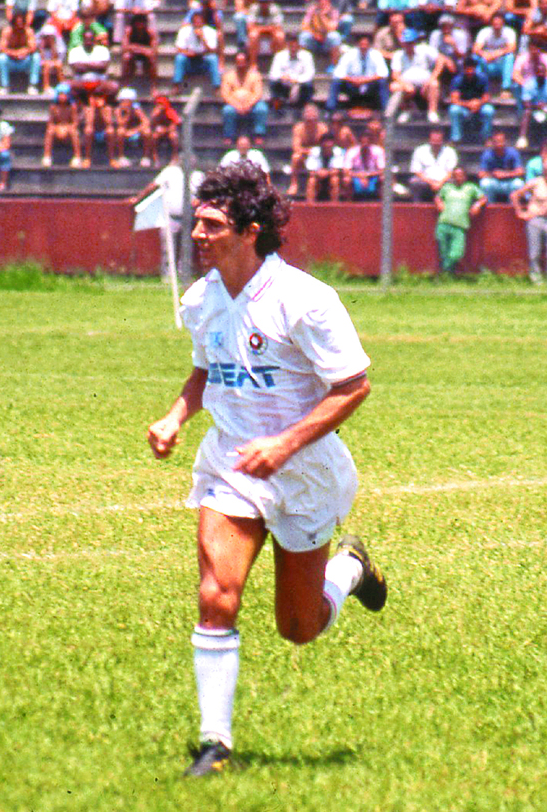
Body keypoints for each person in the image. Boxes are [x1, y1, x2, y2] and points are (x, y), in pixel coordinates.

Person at [147, 161, 389, 778]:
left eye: (210, 223)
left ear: (250, 231)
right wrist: (176, 417)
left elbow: (353, 387)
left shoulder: (307, 300)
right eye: (196, 221)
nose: (196, 233)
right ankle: (215, 745)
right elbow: (208, 370)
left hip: (304, 473)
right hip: (232, 465)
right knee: (216, 596)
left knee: (300, 627)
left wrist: (283, 445)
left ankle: (351, 569)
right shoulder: (200, 299)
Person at [433, 166, 482, 274]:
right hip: (444, 223)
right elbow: (437, 197)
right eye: (456, 175)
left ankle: (444, 272)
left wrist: (477, 205)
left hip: (460, 226)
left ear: (465, 176)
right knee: (443, 253)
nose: (458, 177)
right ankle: (448, 276)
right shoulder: (447, 187)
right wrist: (439, 203)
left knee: (456, 253)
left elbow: (483, 198)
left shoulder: (471, 187)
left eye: (461, 175)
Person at [408, 128, 456, 202]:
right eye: (434, 141)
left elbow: (451, 172)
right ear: (429, 140)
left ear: (442, 141)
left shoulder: (450, 151)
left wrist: (440, 183)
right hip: (425, 180)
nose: (436, 144)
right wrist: (431, 183)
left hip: (444, 180)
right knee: (414, 182)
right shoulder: (420, 150)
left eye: (438, 141)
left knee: (453, 182)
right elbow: (417, 171)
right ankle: (417, 206)